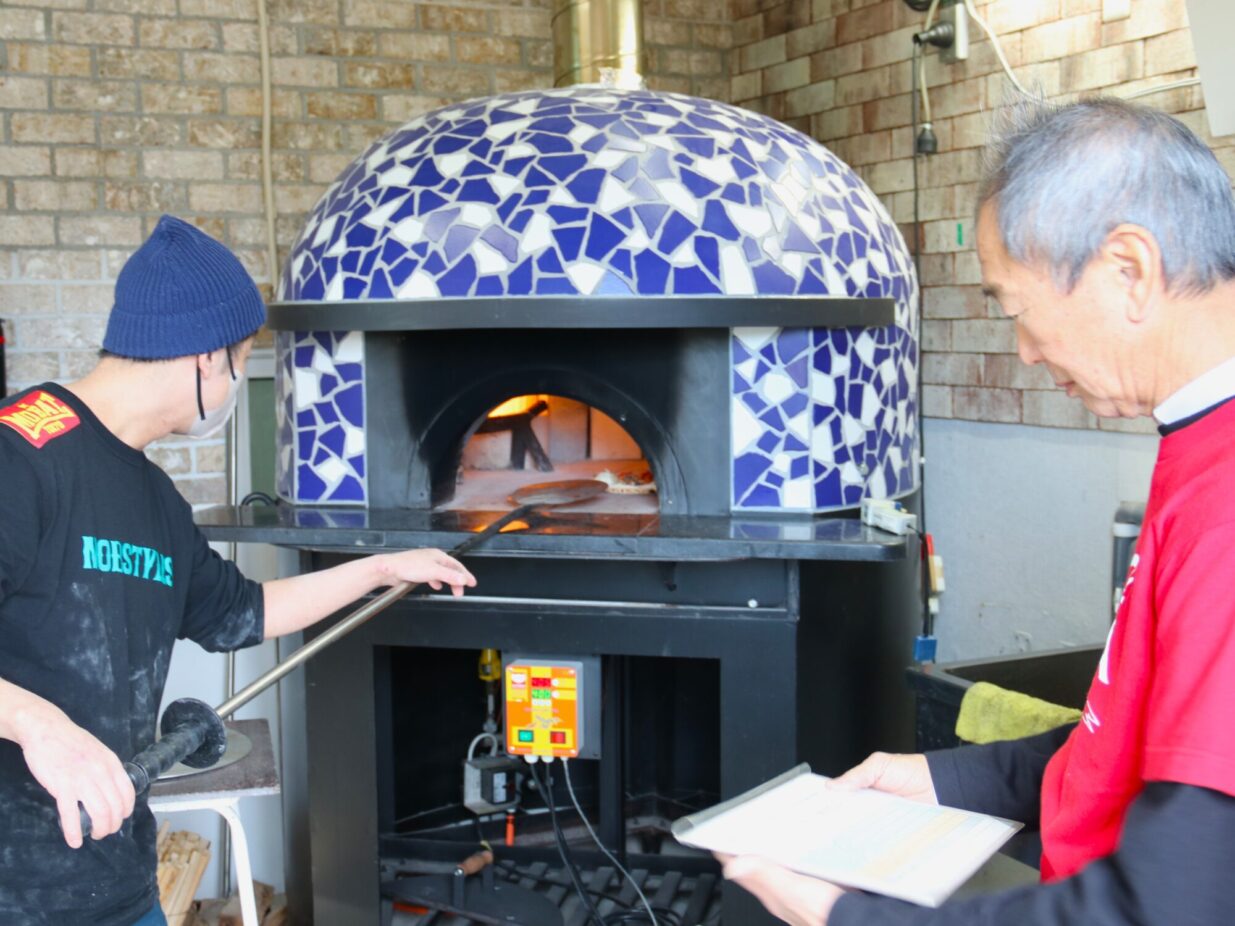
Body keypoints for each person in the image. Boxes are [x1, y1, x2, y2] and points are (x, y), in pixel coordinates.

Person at [723, 97, 1235, 924]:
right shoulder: (1199, 440)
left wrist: (843, 915)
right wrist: (943, 776)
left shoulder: (1226, 508)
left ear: (1126, 269)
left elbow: (1171, 905)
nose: (1024, 351)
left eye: (1013, 309)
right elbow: (1135, 739)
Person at [0, 215, 477, 926]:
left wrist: (377, 568)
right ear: (206, 359)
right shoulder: (23, 454)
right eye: (243, 356)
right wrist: (39, 726)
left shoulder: (153, 499)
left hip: (116, 882)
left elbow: (243, 612)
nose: (235, 381)